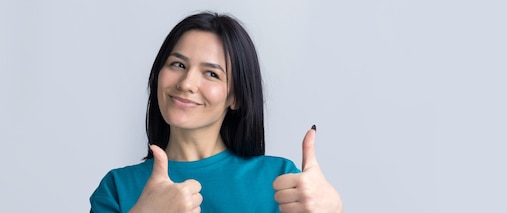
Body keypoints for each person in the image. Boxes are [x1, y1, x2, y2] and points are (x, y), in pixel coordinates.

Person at [89, 12, 343, 213]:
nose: (186, 83)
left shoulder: (281, 182)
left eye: (211, 74)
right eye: (177, 64)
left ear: (236, 97)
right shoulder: (117, 189)